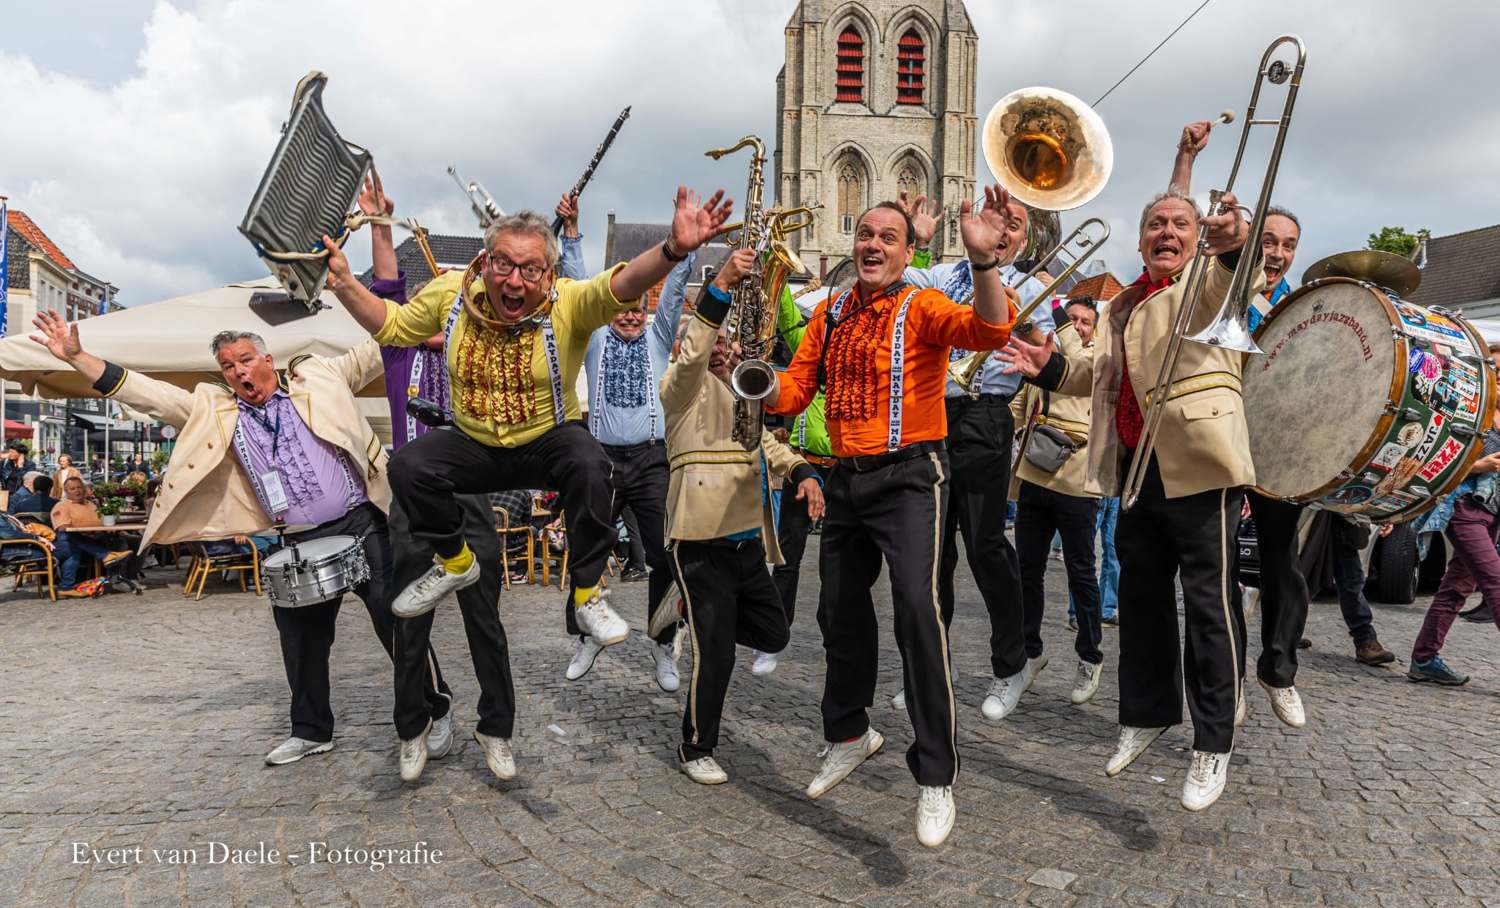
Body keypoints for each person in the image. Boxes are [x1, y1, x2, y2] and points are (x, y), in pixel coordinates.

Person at [29, 311, 450, 769]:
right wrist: (76, 357)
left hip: (362, 522)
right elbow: (148, 394)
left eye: (246, 360)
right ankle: (311, 731)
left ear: (268, 359)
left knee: (399, 621)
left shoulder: (320, 378)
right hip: (295, 540)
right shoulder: (216, 411)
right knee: (300, 642)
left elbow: (375, 348)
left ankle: (434, 707)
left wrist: (424, 320)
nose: (239, 372)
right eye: (229, 366)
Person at [321, 185, 732, 653]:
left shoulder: (569, 301)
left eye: (530, 268)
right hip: (476, 441)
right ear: (486, 260)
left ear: (548, 273)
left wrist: (674, 249)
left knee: (592, 463)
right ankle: (455, 561)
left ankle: (586, 593)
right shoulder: (450, 293)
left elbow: (621, 285)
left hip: (545, 438)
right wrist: (344, 285)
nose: (515, 280)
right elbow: (391, 324)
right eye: (504, 264)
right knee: (408, 466)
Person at [764, 187, 1021, 848]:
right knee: (837, 613)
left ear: (909, 253)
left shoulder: (924, 303)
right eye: (865, 234)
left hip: (911, 476)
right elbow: (795, 389)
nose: (872, 244)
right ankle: (850, 733)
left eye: (887, 237)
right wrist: (760, 381)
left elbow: (990, 332)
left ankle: (936, 775)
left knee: (916, 609)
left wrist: (985, 261)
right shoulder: (833, 312)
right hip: (846, 480)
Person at [1002, 186, 1256, 811]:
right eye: (1154, 224)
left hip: (1199, 467)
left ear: (1197, 238)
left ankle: (1213, 740)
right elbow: (1106, 375)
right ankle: (1145, 716)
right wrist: (1050, 368)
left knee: (1208, 607)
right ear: (1140, 238)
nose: (1166, 233)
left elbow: (1232, 283)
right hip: (1137, 473)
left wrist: (1231, 250)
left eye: (1180, 224)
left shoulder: (1204, 282)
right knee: (1141, 603)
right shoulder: (1120, 306)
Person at [358, 171, 517, 783]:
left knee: (486, 622)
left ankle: (496, 730)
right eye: (425, 308)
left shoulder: (476, 350)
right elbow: (384, 287)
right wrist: (379, 224)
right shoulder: (400, 356)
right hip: (412, 502)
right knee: (407, 621)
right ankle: (414, 727)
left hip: (468, 497)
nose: (434, 317)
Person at [654, 247, 823, 784]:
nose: (722, 350)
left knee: (773, 634)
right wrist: (721, 288)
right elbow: (695, 349)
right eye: (713, 342)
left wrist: (800, 471)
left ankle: (681, 607)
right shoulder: (679, 389)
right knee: (718, 652)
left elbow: (765, 447)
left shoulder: (742, 391)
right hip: (700, 533)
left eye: (727, 343)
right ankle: (695, 746)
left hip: (747, 536)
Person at [885, 192, 1044, 718]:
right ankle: (932, 668)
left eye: (1015, 224)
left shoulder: (1034, 284)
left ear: (1025, 239)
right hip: (931, 415)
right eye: (995, 217)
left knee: (984, 544)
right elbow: (897, 290)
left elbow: (1048, 350)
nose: (1003, 228)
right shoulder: (945, 273)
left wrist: (1031, 334)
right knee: (934, 555)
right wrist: (919, 242)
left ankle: (1012, 662)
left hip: (984, 415)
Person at [565, 193, 697, 690]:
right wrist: (572, 234)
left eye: (637, 310)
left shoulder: (659, 336)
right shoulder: (596, 334)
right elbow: (580, 287)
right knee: (587, 548)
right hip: (600, 457)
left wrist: (681, 248)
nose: (629, 316)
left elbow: (676, 289)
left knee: (664, 553)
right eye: (622, 309)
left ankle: (665, 644)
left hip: (650, 457)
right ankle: (586, 634)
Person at [1009, 298, 1105, 705]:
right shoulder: (1049, 358)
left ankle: (1090, 655)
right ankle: (1031, 651)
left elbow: (1078, 357)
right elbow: (1019, 405)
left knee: (1080, 571)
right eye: (1074, 320)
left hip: (1078, 481)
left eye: (1086, 322)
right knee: (1026, 569)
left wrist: (1059, 313)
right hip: (1035, 474)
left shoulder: (1095, 358)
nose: (1079, 327)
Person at [1408, 356, 1500, 685]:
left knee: (1457, 588)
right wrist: (1478, 467)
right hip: (1463, 510)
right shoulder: (1469, 414)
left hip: (1492, 516)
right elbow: (1433, 458)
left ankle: (1424, 658)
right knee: (1496, 582)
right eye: (1497, 371)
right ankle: (1424, 659)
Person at [767, 283, 834, 677]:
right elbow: (789, 317)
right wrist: (782, 270)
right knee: (788, 558)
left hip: (840, 466)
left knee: (835, 565)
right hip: (803, 464)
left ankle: (834, 641)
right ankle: (775, 635)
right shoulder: (809, 345)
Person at [48, 475, 131, 591]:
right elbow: (63, 527)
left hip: (94, 536)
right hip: (72, 538)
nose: (77, 491)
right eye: (73, 489)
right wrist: (84, 531)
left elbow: (102, 522)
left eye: (79, 487)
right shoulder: (62, 506)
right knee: (71, 539)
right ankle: (106, 555)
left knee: (128, 540)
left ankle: (125, 577)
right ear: (66, 491)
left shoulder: (91, 504)